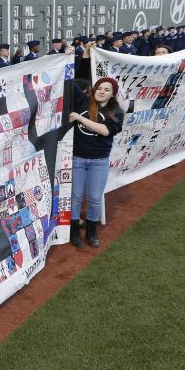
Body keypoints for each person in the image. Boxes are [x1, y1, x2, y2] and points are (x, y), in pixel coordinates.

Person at [68, 77, 124, 248]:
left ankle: (92, 231)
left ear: (113, 94)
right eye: (99, 87)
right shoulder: (83, 102)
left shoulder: (116, 112)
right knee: (75, 197)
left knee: (94, 198)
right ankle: (74, 231)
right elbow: (71, 78)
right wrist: (72, 55)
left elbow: (105, 131)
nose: (101, 91)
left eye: (107, 89)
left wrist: (80, 118)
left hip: (98, 161)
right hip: (77, 158)